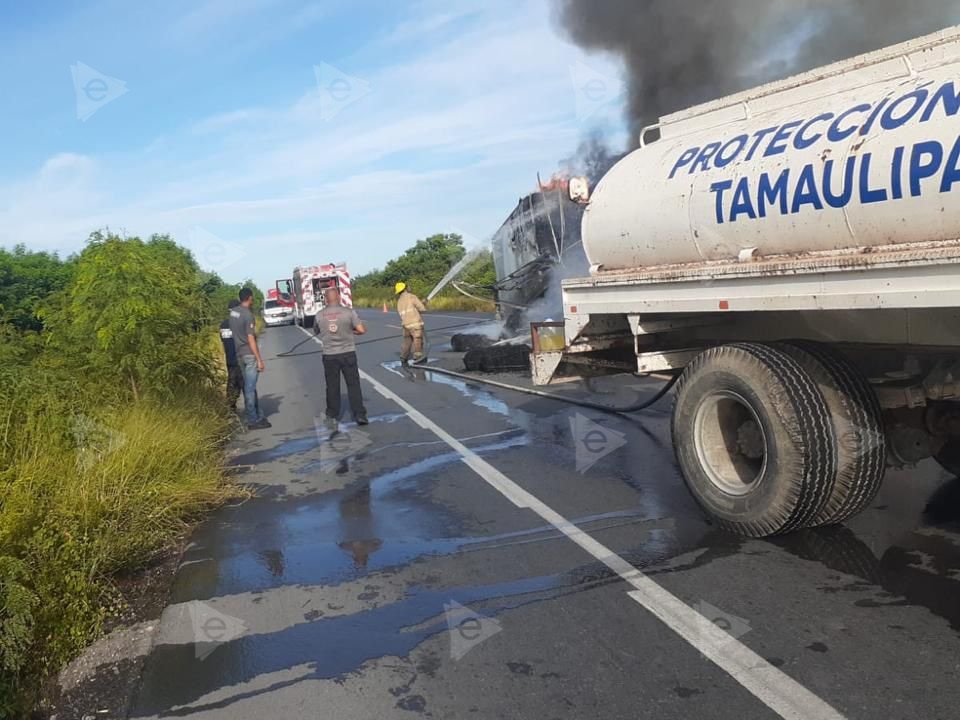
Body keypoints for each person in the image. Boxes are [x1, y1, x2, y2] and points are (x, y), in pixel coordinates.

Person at [316, 287, 368, 428]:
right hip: (348, 353)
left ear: (326, 299)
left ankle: (332, 415)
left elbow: (316, 330)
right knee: (353, 385)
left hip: (330, 355)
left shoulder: (319, 315)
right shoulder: (348, 312)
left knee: (332, 386)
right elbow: (361, 330)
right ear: (338, 297)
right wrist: (351, 331)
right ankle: (359, 414)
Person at [229, 288, 271, 430]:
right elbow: (251, 338)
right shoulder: (248, 315)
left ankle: (256, 414)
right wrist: (259, 359)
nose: (253, 301)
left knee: (249, 386)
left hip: (238, 353)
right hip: (249, 354)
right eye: (252, 298)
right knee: (250, 387)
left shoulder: (233, 313)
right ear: (249, 298)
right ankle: (252, 419)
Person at [219, 299, 245, 410]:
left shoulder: (223, 324)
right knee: (246, 386)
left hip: (230, 359)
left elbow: (223, 340)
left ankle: (230, 408)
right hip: (241, 358)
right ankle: (253, 414)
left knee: (232, 383)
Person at [395, 282, 427, 365]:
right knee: (418, 340)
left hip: (405, 325)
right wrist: (423, 303)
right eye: (407, 286)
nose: (409, 287)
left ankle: (403, 357)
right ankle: (418, 357)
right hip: (415, 324)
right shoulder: (412, 297)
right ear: (405, 288)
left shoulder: (399, 301)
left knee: (407, 341)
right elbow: (422, 309)